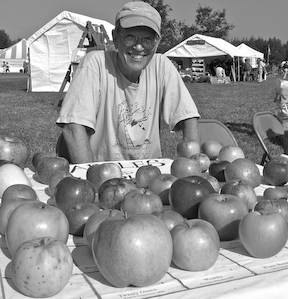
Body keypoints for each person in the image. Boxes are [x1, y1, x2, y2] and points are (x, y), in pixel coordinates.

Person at [56, 1, 200, 164]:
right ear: (115, 38)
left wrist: (192, 169)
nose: (139, 47)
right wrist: (88, 178)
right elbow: (73, 126)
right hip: (103, 177)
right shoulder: (96, 64)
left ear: (157, 43)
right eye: (130, 37)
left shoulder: (161, 66)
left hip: (149, 178)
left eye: (147, 39)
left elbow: (188, 117)